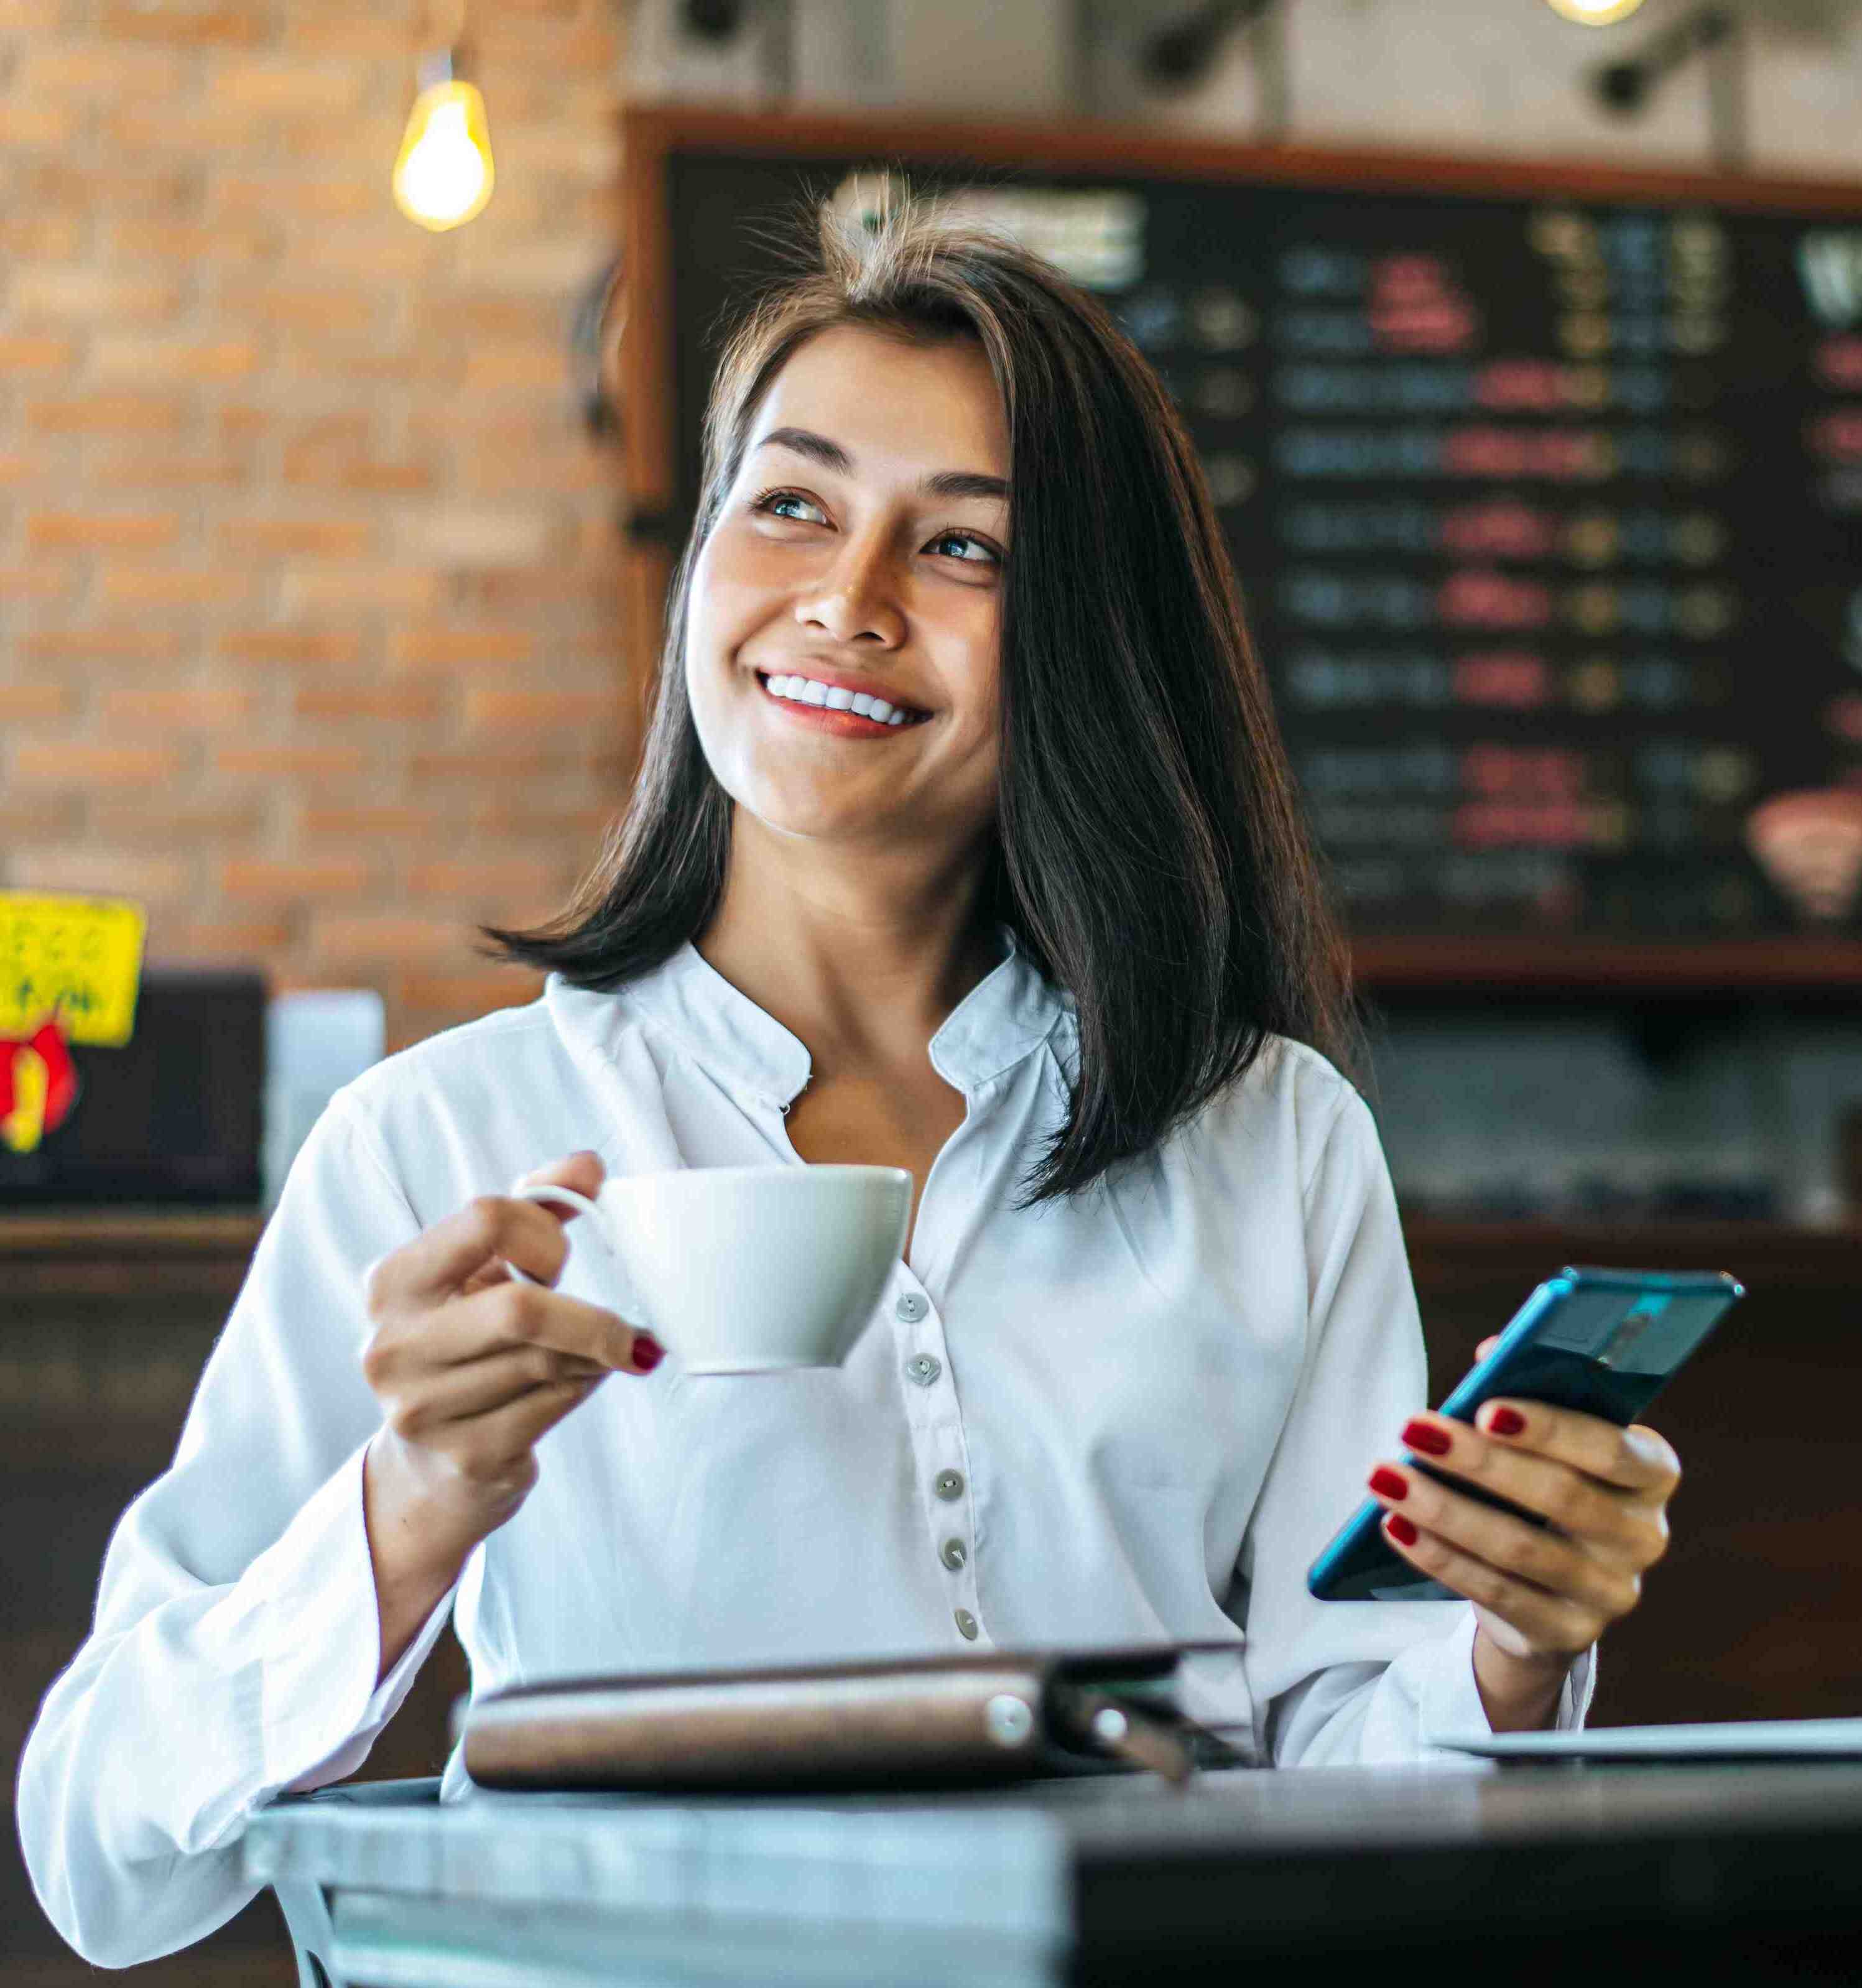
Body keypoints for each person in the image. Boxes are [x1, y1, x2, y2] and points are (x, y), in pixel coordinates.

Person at [17, 200, 1682, 1968]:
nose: (846, 599)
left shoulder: (1262, 1139)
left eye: (962, 549)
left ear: (1088, 637)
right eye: (790, 503)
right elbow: (101, 1858)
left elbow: (1351, 1783)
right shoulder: (441, 1141)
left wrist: (1509, 1648)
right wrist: (411, 1506)